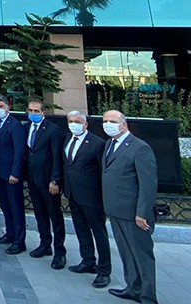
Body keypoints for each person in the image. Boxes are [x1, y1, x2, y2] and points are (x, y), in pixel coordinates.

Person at [102, 110, 157, 303]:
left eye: (112, 121)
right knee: (126, 252)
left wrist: (142, 213)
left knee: (142, 255)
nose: (107, 124)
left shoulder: (140, 148)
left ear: (124, 125)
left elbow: (148, 184)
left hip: (133, 213)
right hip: (115, 209)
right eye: (105, 121)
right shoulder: (109, 144)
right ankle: (133, 288)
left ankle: (148, 296)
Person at [63, 110, 111, 288]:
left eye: (77, 121)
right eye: (70, 121)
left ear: (85, 124)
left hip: (92, 196)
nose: (73, 124)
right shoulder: (67, 139)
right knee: (81, 228)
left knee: (99, 232)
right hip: (73, 193)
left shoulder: (97, 143)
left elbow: (102, 171)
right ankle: (88, 260)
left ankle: (104, 270)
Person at [25, 99, 66, 269]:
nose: (33, 113)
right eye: (30, 110)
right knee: (40, 213)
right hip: (33, 179)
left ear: (43, 113)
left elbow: (57, 157)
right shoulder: (27, 127)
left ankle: (59, 252)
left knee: (54, 216)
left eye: (36, 111)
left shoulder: (53, 131)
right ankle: (45, 244)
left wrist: (55, 180)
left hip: (48, 181)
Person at [0, 96, 27, 255]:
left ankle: (19, 241)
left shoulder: (15, 125)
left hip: (11, 173)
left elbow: (19, 151)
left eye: (1, 106)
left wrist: (15, 173)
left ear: (8, 107)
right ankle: (10, 233)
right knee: (5, 205)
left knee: (16, 207)